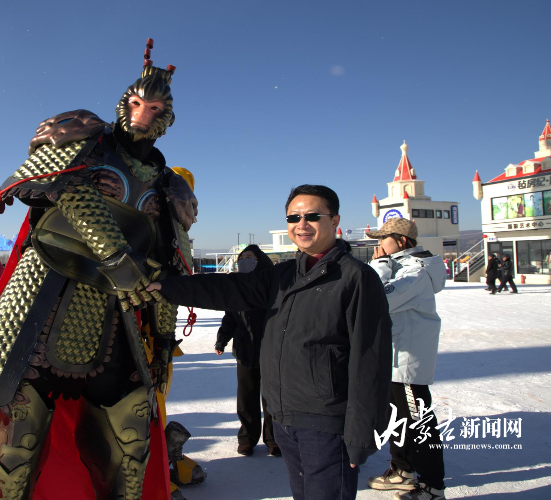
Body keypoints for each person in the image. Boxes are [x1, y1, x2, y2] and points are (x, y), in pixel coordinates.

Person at [0, 40, 197, 500]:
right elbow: (63, 190)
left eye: (155, 108)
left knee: (130, 445)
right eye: (137, 103)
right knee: (17, 445)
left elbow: (170, 262)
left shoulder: (169, 183)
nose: (143, 114)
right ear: (123, 104)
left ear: (167, 118)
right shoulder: (83, 135)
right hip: (45, 295)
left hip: (116, 314)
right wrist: (118, 260)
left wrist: (163, 339)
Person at [149, 184, 392, 500]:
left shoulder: (356, 278)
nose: (301, 224)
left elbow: (371, 361)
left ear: (334, 221)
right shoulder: (283, 275)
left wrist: (362, 436)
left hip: (327, 422)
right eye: (293, 217)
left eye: (312, 216)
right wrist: (167, 287)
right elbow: (229, 289)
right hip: (284, 417)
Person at [365, 218, 447, 500]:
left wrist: (380, 266)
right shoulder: (400, 267)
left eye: (383, 238)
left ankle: (432, 486)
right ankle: (403, 469)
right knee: (398, 419)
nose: (379, 245)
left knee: (419, 423)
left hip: (407, 362)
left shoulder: (415, 272)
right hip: (394, 359)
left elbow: (376, 300)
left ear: (401, 241)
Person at [215, 245, 279, 457]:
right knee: (246, 397)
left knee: (272, 398)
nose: (244, 261)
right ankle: (247, 439)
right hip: (245, 350)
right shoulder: (237, 286)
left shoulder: (273, 285)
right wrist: (221, 341)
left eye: (249, 257)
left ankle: (274, 439)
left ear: (260, 261)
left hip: (271, 350)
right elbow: (230, 317)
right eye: (241, 258)